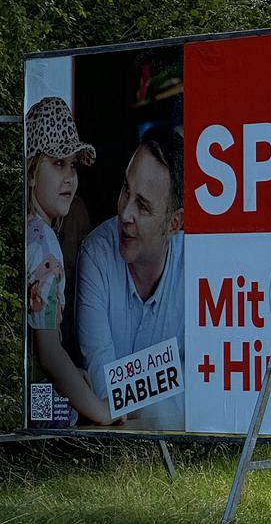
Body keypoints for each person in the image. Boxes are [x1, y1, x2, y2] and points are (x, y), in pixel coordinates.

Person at [78, 128, 185, 430]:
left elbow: (207, 385)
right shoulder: (97, 254)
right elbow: (103, 388)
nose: (125, 214)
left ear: (174, 223)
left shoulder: (195, 267)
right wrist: (170, 376)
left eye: (143, 205)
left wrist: (126, 384)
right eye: (126, 190)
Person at [24, 97, 117, 426]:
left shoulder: (28, 230)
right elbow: (48, 354)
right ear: (32, 172)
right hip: (28, 397)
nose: (69, 177)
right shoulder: (44, 245)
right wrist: (101, 411)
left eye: (73, 165)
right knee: (74, 412)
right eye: (57, 163)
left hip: (24, 384)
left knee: (77, 384)